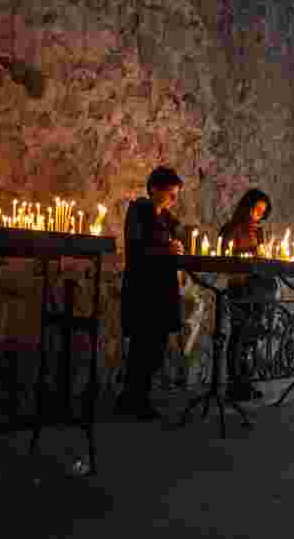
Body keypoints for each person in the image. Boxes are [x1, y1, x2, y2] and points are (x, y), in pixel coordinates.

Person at [118, 166, 185, 420]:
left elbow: (168, 245)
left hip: (162, 290)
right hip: (143, 289)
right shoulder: (139, 212)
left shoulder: (167, 220)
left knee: (155, 347)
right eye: (171, 194)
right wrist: (166, 251)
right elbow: (136, 250)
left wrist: (176, 246)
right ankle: (134, 400)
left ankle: (134, 397)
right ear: (155, 189)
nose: (174, 200)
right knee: (142, 346)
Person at [219, 189, 276, 401]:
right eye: (257, 209)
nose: (259, 214)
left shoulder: (258, 231)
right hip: (240, 286)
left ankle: (246, 382)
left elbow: (260, 254)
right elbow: (224, 255)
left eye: (263, 211)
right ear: (247, 206)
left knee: (252, 337)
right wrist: (252, 256)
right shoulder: (232, 228)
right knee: (239, 335)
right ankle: (235, 384)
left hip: (258, 287)